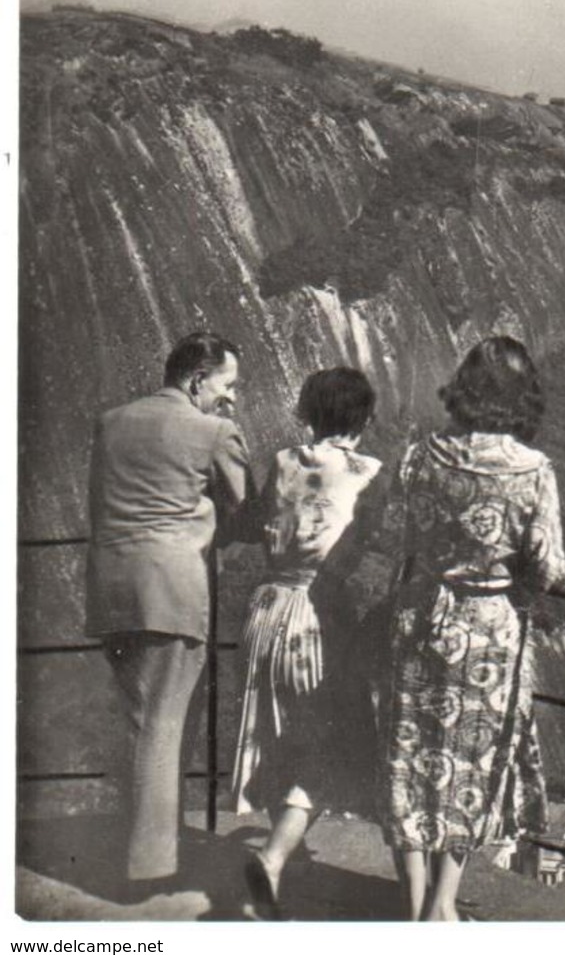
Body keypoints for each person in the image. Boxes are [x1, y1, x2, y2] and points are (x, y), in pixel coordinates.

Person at [381, 336, 565, 921]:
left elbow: (396, 535)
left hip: (419, 617)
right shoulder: (532, 471)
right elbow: (546, 567)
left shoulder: (419, 456)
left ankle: (414, 908)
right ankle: (442, 906)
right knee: (474, 761)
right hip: (490, 631)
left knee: (410, 758)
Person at [85, 332, 252, 895]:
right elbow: (246, 511)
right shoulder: (214, 432)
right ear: (198, 379)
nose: (230, 398)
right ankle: (147, 872)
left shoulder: (112, 422)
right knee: (162, 726)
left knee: (138, 719)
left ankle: (135, 850)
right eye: (227, 385)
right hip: (171, 592)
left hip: (112, 590)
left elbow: (100, 506)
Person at [232, 368, 386, 919]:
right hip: (319, 615)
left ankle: (284, 861)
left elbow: (256, 520)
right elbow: (370, 538)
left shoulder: (282, 461)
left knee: (277, 733)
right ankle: (272, 862)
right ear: (365, 418)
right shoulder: (370, 473)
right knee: (338, 746)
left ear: (308, 412)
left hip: (266, 606)